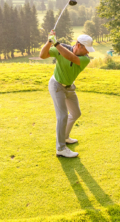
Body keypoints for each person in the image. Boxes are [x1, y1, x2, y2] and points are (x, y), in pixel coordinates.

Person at [39, 30, 95, 158]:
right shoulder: (61, 47)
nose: (88, 52)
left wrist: (56, 43)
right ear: (79, 45)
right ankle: (61, 148)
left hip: (69, 87)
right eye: (87, 49)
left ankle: (64, 137)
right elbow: (43, 55)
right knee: (62, 116)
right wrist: (49, 41)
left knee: (76, 113)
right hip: (56, 85)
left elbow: (71, 57)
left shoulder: (85, 59)